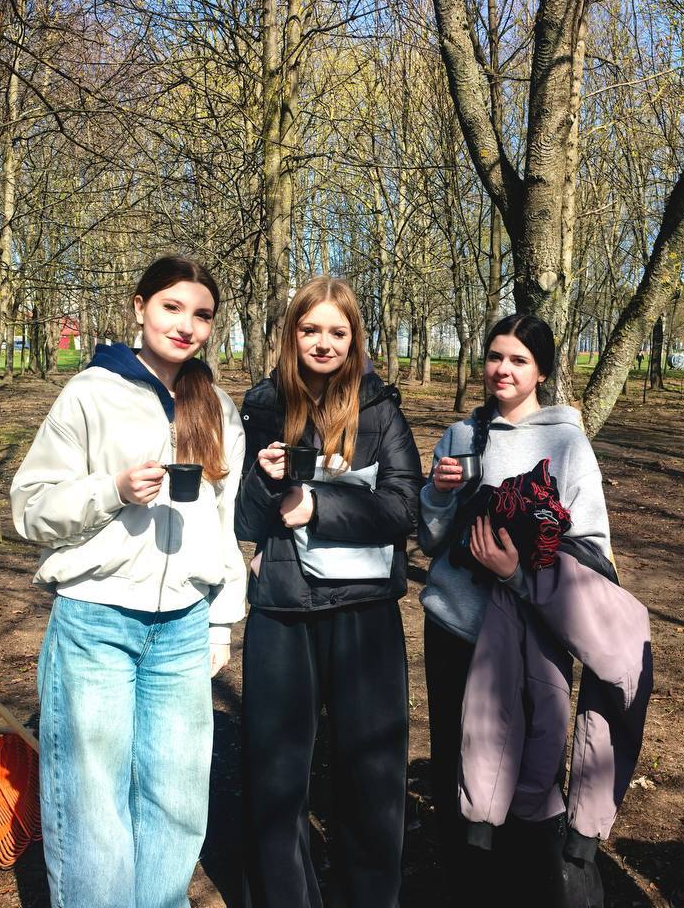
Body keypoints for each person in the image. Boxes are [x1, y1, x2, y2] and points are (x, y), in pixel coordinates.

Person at [11, 255, 247, 908]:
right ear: (139, 308)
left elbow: (224, 523)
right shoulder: (89, 393)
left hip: (183, 627)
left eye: (202, 314)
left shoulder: (218, 408)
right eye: (172, 307)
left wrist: (222, 619)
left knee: (176, 801)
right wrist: (111, 490)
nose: (186, 325)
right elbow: (30, 508)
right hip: (96, 622)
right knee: (93, 804)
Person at [235, 276, 423, 908]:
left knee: (372, 772)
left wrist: (316, 506)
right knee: (276, 775)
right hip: (282, 610)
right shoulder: (261, 406)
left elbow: (403, 507)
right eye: (310, 329)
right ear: (291, 334)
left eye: (337, 332)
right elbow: (241, 519)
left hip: (364, 612)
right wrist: (264, 485)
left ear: (354, 339)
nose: (323, 343)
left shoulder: (380, 409)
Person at [417, 314, 614, 904]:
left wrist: (518, 574)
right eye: (495, 356)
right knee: (457, 770)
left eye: (519, 360)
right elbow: (429, 541)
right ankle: (465, 889)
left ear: (542, 372)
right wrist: (438, 495)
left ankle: (524, 889)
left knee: (528, 776)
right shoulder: (459, 436)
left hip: (533, 640)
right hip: (454, 631)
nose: (503, 370)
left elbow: (596, 559)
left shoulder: (567, 444)